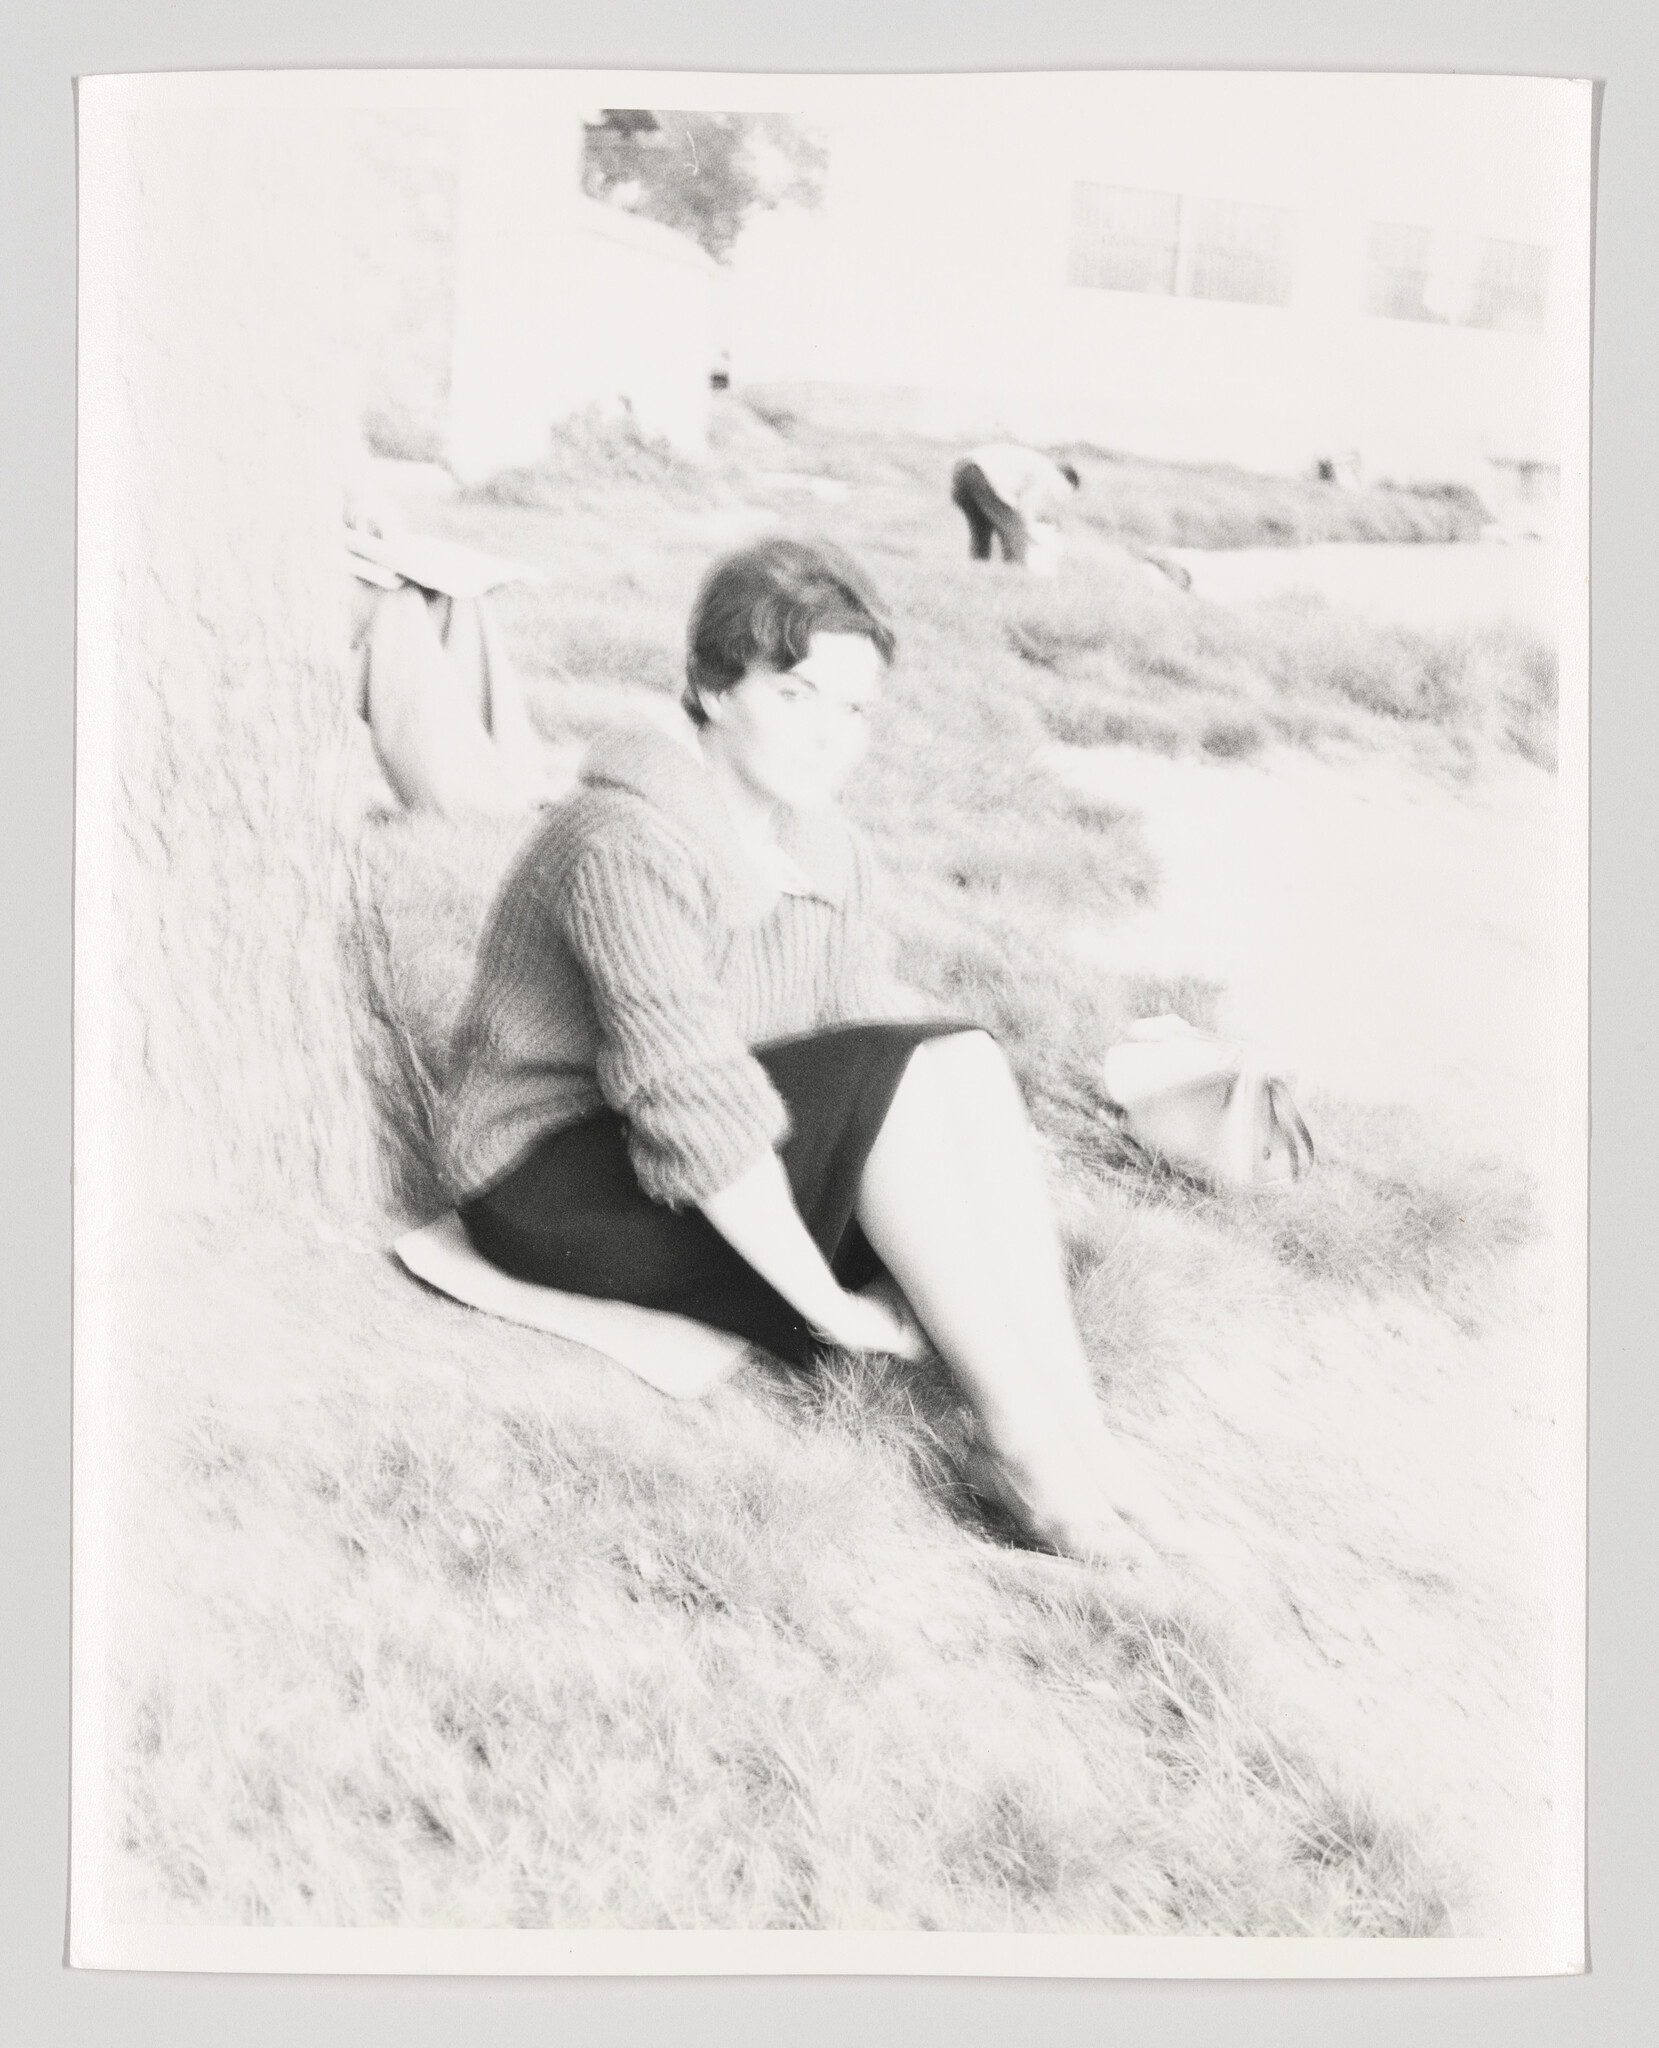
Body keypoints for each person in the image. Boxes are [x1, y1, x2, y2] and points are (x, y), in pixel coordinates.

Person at [439, 537, 1194, 1569]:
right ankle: (1024, 1455)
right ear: (712, 687)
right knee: (928, 1075)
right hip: (552, 1175)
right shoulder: (622, 838)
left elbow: (866, 1031)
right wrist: (827, 1304)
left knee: (961, 1056)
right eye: (796, 694)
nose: (831, 737)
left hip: (692, 1140)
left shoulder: (826, 843)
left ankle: (1081, 1440)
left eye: (854, 710)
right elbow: (689, 1104)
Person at [950, 444, 1081, 567]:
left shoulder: (1036, 465)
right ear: (1065, 479)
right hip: (979, 472)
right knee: (1015, 534)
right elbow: (1024, 509)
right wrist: (1033, 536)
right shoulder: (1047, 471)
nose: (1061, 497)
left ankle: (976, 575)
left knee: (982, 533)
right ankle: (1015, 579)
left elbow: (1015, 505)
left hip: (962, 472)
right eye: (1066, 492)